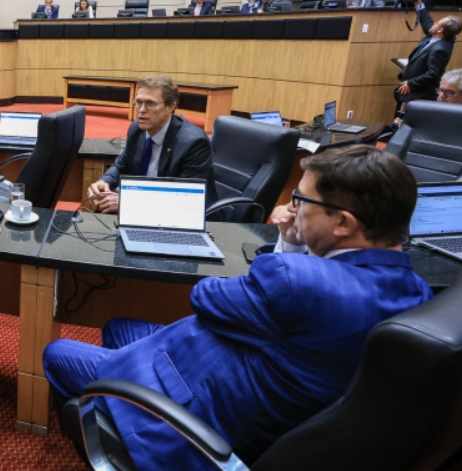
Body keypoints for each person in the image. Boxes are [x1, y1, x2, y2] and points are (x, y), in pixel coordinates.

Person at [46, 145, 432, 471]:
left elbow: (205, 295)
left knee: (56, 352)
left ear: (343, 224)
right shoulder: (418, 293)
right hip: (250, 373)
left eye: (302, 200)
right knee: (118, 327)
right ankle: (123, 375)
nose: (292, 208)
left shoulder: (296, 279)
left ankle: (118, 416)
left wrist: (292, 246)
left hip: (196, 414)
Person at [87, 76, 215, 212]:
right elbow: (122, 165)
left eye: (150, 104)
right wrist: (104, 181)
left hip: (182, 216)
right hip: (145, 208)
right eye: (138, 102)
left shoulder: (193, 143)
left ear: (170, 107)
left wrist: (129, 203)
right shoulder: (138, 129)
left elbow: (187, 200)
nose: (141, 110)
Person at [397, 0, 460, 103]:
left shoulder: (440, 49)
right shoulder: (436, 36)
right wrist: (419, 4)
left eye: (437, 23)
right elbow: (427, 23)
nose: (434, 23)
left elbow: (433, 73)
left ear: (440, 30)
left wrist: (411, 83)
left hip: (419, 93)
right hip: (410, 88)